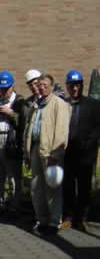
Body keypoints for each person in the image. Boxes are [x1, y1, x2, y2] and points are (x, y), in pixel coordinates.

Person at [24, 74, 70, 235]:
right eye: (40, 84)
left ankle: (54, 221)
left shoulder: (59, 104)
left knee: (52, 188)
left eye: (44, 85)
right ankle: (42, 219)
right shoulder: (37, 104)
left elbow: (61, 131)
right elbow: (29, 129)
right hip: (36, 149)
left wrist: (55, 155)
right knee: (36, 187)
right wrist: (27, 152)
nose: (41, 87)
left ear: (51, 86)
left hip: (51, 152)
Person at [62, 70, 100, 231]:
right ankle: (69, 217)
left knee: (84, 188)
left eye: (77, 85)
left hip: (86, 154)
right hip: (68, 154)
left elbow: (98, 128)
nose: (75, 89)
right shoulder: (63, 104)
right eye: (71, 86)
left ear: (82, 86)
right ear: (67, 86)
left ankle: (82, 218)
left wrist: (89, 143)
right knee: (68, 186)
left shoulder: (93, 104)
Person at [0, 71, 25, 212]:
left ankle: (14, 205)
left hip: (11, 141)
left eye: (6, 88)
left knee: (13, 175)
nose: (3, 91)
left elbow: (24, 121)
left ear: (12, 86)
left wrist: (11, 114)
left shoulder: (20, 101)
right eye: (1, 88)